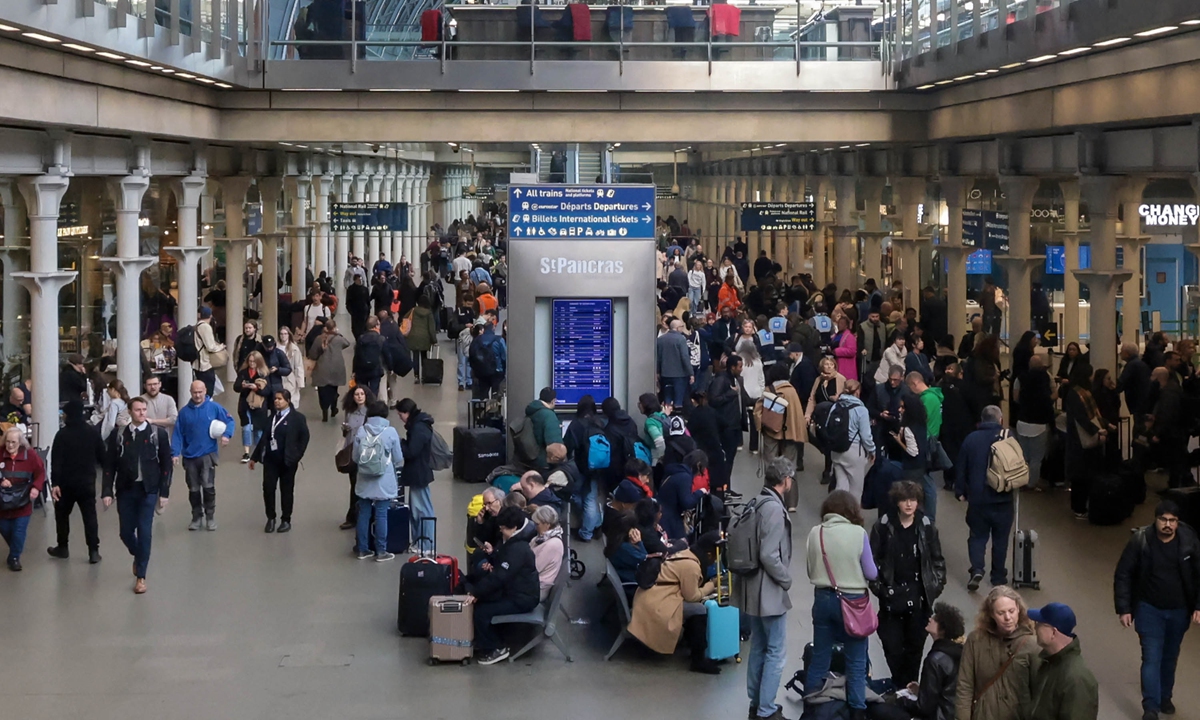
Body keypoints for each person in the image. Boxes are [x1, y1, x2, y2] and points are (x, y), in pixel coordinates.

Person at [1113, 499, 1200, 720]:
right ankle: (1150, 706)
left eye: (1172, 520)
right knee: (1151, 657)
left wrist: (1198, 605)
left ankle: (1165, 697)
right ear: (1156, 520)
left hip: (1179, 612)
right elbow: (1123, 573)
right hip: (1148, 609)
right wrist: (1124, 608)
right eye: (1163, 519)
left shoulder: (1189, 541)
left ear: (1178, 523)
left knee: (1170, 657)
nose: (1167, 524)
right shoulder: (1141, 541)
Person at [805, 490, 878, 714]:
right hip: (853, 601)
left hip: (823, 598)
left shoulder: (815, 533)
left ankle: (812, 709)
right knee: (856, 661)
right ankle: (857, 711)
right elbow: (871, 573)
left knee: (820, 658)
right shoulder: (858, 533)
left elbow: (810, 570)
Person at [733, 457, 795, 719]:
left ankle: (756, 702)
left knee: (759, 646)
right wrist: (786, 579)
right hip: (767, 590)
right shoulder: (774, 509)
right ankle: (766, 708)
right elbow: (770, 554)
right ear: (786, 481)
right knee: (776, 651)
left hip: (750, 587)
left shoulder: (756, 502)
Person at [869, 481, 947, 688]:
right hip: (891, 599)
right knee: (891, 646)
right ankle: (902, 686)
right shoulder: (884, 526)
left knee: (914, 651)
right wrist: (880, 589)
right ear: (897, 502)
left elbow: (937, 559)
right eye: (904, 500)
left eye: (913, 500)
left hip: (918, 599)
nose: (909, 504)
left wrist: (935, 586)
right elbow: (871, 560)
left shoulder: (926, 527)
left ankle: (907, 692)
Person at [101, 397, 172, 594]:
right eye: (137, 410)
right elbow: (109, 465)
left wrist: (164, 492)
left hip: (148, 489)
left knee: (145, 531)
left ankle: (141, 576)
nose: (141, 413)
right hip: (126, 489)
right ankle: (138, 554)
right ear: (130, 412)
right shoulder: (120, 435)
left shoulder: (158, 435)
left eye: (144, 409)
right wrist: (107, 490)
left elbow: (166, 464)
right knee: (125, 531)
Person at [628, 530, 723, 675]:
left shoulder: (687, 554)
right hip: (656, 604)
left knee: (693, 609)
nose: (716, 561)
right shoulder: (691, 566)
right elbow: (692, 596)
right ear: (709, 554)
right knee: (699, 610)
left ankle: (694, 650)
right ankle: (698, 659)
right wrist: (712, 585)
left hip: (650, 597)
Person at [464, 506, 541, 665]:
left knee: (482, 612)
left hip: (522, 598)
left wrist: (475, 593)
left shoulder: (518, 549)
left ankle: (495, 648)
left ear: (514, 528)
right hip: (516, 591)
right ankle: (486, 641)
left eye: (503, 529)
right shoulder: (516, 542)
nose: (501, 532)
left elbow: (499, 577)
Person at [867, 602, 965, 720]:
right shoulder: (954, 653)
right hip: (948, 714)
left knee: (878, 710)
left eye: (935, 619)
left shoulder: (935, 660)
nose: (930, 619)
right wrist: (922, 691)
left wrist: (902, 701)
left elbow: (924, 707)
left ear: (943, 629)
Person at [955, 586, 1041, 720]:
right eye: (1001, 613)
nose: (1008, 617)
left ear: (1018, 608)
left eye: (1011, 611)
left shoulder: (1032, 645)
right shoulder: (976, 640)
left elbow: (1040, 691)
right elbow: (965, 685)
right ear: (991, 614)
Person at [47, 400, 106, 564]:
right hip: (87, 482)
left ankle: (63, 547)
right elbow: (103, 456)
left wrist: (55, 483)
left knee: (62, 515)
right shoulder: (92, 432)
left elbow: (56, 462)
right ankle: (94, 551)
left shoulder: (62, 435)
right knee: (89, 516)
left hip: (66, 484)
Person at [172, 380, 235, 532]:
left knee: (208, 487)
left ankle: (210, 516)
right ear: (190, 392)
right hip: (190, 457)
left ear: (205, 391)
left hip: (208, 456)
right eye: (195, 392)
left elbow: (230, 420)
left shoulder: (214, 408)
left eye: (200, 392)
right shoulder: (184, 413)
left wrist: (226, 435)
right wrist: (175, 453)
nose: (198, 395)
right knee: (193, 489)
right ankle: (196, 516)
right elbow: (177, 434)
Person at [249, 390, 310, 534]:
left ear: (288, 401)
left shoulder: (298, 418)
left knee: (286, 490)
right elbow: (264, 438)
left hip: (288, 461)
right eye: (275, 399)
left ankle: (286, 519)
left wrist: (297, 455)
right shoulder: (272, 418)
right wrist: (254, 457)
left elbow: (304, 438)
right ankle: (271, 518)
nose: (277, 401)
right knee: (268, 488)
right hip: (271, 460)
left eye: (280, 399)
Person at [1027, 602, 1099, 720]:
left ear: (1053, 632)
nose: (1035, 627)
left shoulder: (1077, 679)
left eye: (1039, 624)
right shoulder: (1049, 662)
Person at [352, 399, 402, 562]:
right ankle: (381, 551)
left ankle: (362, 549)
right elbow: (398, 458)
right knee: (381, 514)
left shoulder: (361, 431)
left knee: (364, 514)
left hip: (364, 478)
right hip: (383, 479)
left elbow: (355, 457)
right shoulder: (391, 432)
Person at [756, 364, 806, 509]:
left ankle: (770, 498)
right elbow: (797, 415)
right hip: (790, 434)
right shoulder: (792, 391)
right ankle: (791, 503)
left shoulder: (769, 390)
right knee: (790, 466)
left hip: (771, 432)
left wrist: (761, 426)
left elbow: (758, 412)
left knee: (770, 464)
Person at [395, 398, 436, 552]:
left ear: (407, 412)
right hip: (419, 473)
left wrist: (401, 444)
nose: (400, 418)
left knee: (422, 511)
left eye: (401, 415)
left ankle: (426, 544)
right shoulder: (420, 425)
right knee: (418, 510)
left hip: (418, 474)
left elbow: (412, 451)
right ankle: (421, 542)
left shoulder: (418, 428)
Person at [1063, 364, 1104, 519]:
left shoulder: (1077, 393)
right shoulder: (1078, 394)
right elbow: (1081, 418)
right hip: (1080, 440)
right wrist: (1097, 430)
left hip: (1079, 439)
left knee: (1084, 474)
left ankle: (1081, 505)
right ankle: (1079, 507)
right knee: (1081, 475)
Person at [1013, 355, 1055, 488]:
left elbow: (1015, 398)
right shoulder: (1047, 376)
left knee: (1024, 455)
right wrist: (1045, 401)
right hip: (1040, 423)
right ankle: (1032, 483)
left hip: (1022, 421)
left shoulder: (1020, 377)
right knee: (1037, 457)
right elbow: (1055, 394)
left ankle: (1022, 481)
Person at [831, 380, 876, 500]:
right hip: (854, 451)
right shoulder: (861, 410)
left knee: (841, 485)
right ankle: (852, 515)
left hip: (836, 450)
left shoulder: (836, 405)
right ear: (857, 391)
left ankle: (839, 513)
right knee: (856, 489)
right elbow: (866, 436)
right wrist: (872, 450)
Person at [708, 353, 745, 493]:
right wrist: (730, 394)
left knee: (730, 459)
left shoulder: (735, 380)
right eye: (739, 366)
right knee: (726, 459)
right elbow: (713, 399)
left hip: (735, 425)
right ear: (732, 367)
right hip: (726, 426)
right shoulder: (721, 380)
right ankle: (723, 487)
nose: (741, 369)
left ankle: (726, 487)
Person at [658, 450, 709, 540]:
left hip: (663, 514)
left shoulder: (675, 472)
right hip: (671, 519)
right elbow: (687, 502)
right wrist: (700, 492)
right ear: (698, 465)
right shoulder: (685, 477)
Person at [310, 319, 352, 423]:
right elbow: (347, 343)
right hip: (336, 368)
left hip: (322, 368)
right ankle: (333, 408)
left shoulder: (318, 339)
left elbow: (313, 354)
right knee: (334, 389)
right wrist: (337, 333)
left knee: (322, 391)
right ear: (334, 327)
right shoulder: (338, 339)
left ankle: (324, 412)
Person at [235, 350, 271, 463]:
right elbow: (235, 388)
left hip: (259, 406)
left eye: (254, 362)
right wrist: (243, 386)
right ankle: (246, 452)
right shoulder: (243, 372)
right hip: (245, 404)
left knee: (258, 430)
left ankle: (258, 451)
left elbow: (267, 391)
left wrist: (256, 388)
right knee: (246, 427)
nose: (251, 364)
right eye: (250, 361)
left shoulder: (263, 374)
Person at [656, 317, 694, 410]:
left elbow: (658, 358)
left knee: (667, 399)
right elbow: (685, 357)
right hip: (679, 374)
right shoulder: (681, 339)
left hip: (665, 374)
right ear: (677, 328)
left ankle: (666, 417)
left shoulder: (660, 339)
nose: (682, 328)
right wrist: (691, 373)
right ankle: (677, 419)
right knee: (678, 400)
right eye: (682, 326)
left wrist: (657, 371)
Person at [524, 387, 564, 471]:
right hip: (544, 464)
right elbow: (555, 448)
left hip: (530, 459)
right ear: (553, 400)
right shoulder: (549, 415)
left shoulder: (533, 411)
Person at [530, 505, 564, 601]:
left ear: (547, 524)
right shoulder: (544, 537)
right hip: (532, 582)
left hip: (536, 589)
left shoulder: (552, 545)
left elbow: (533, 568)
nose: (535, 527)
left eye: (537, 524)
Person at [469, 316, 506, 401]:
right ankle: (494, 411)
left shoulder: (476, 340)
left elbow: (471, 355)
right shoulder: (499, 340)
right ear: (493, 328)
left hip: (481, 372)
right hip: (497, 372)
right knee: (496, 395)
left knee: (482, 394)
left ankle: (482, 411)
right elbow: (504, 357)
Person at [191, 307, 224, 396]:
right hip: (204, 364)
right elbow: (210, 347)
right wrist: (220, 347)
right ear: (210, 316)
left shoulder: (197, 326)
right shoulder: (205, 327)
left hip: (198, 363)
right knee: (208, 390)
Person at [405, 295, 438, 382]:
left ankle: (416, 376)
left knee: (415, 357)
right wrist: (434, 340)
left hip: (413, 336)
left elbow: (405, 318)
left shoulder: (413, 310)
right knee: (424, 356)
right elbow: (431, 328)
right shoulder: (429, 313)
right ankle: (425, 374)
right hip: (425, 337)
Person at [352, 316, 388, 395]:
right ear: (376, 326)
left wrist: (354, 370)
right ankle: (371, 405)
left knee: (362, 391)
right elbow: (386, 354)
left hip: (361, 369)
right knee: (374, 391)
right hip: (375, 369)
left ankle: (363, 404)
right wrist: (390, 367)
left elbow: (356, 355)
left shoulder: (361, 338)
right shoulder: (380, 339)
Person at [1117, 343, 1152, 422]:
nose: (1120, 353)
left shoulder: (1131, 365)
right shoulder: (1140, 364)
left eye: (1121, 351)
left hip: (1138, 403)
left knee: (1139, 425)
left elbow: (1122, 382)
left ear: (1127, 353)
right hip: (1144, 402)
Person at [140, 375, 177, 440]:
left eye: (155, 384)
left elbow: (173, 419)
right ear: (145, 386)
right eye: (149, 385)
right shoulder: (139, 400)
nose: (153, 387)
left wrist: (152, 421)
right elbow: (124, 419)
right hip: (145, 439)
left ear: (160, 384)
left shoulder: (168, 399)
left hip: (165, 439)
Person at [277, 326, 305, 400]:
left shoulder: (294, 349)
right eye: (281, 334)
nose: (283, 336)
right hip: (278, 377)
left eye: (285, 334)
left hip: (290, 378)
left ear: (289, 335)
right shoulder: (276, 347)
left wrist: (300, 382)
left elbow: (298, 366)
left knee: (290, 399)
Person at [99, 379, 132, 444]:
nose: (107, 393)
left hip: (114, 432)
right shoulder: (124, 401)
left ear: (113, 390)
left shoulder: (114, 403)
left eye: (108, 391)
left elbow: (111, 423)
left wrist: (103, 437)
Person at [346, 273, 371, 339]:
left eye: (361, 279)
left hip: (364, 311)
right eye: (358, 279)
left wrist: (368, 309)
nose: (360, 281)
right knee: (355, 328)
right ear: (355, 280)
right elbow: (348, 301)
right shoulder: (351, 289)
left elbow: (367, 300)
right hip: (355, 312)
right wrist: (351, 311)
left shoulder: (365, 289)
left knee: (364, 327)